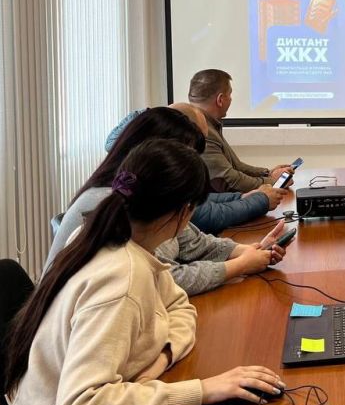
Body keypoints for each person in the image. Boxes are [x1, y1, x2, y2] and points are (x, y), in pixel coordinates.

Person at [5, 140, 285, 405]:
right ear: (184, 214)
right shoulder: (121, 276)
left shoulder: (112, 235)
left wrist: (161, 357)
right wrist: (202, 390)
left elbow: (179, 305)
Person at [46, 107, 287, 294]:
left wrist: (248, 251)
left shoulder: (149, 194)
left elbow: (192, 242)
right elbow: (164, 279)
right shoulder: (116, 201)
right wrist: (240, 265)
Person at [101, 103, 287, 235]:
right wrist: (260, 200)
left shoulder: (134, 175)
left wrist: (243, 197)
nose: (195, 155)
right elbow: (204, 215)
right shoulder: (127, 191)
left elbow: (198, 204)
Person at [188, 69, 295, 191]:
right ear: (220, 100)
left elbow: (236, 166)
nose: (231, 99)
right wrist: (274, 182)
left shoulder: (207, 123)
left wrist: (267, 173)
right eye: (230, 95)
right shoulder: (202, 130)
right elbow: (229, 180)